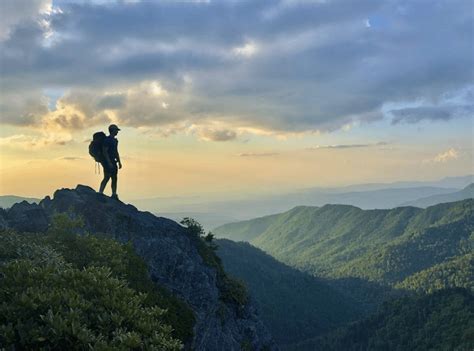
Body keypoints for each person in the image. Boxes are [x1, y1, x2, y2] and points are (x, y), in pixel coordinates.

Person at [99, 124, 122, 200]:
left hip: (113, 161)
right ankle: (100, 193)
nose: (117, 132)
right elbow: (104, 151)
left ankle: (114, 194)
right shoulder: (107, 140)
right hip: (108, 162)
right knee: (107, 177)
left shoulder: (115, 140)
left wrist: (119, 161)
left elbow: (116, 152)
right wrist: (108, 162)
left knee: (114, 178)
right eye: (116, 130)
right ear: (112, 130)